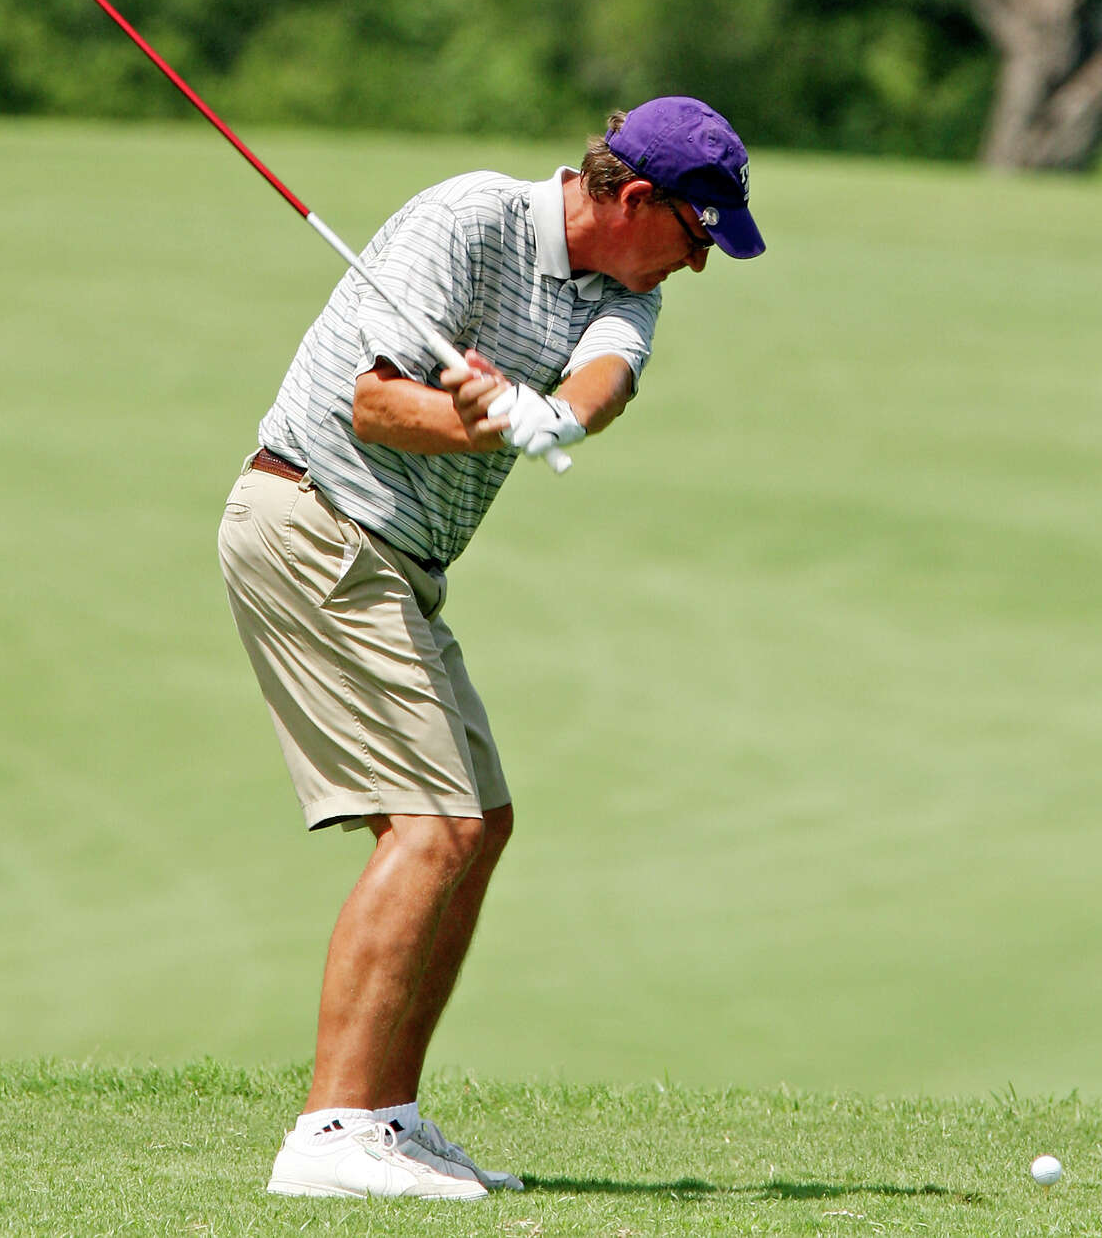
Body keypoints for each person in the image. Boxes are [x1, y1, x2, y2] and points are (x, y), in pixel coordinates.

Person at [217, 95, 765, 1201]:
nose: (698, 267)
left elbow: (602, 380)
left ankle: (384, 1114)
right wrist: (484, 416)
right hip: (317, 520)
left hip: (399, 562)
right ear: (638, 200)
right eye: (696, 237)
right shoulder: (470, 219)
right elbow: (375, 403)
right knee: (435, 822)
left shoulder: (628, 288)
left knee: (483, 821)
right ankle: (326, 1134)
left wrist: (549, 414)